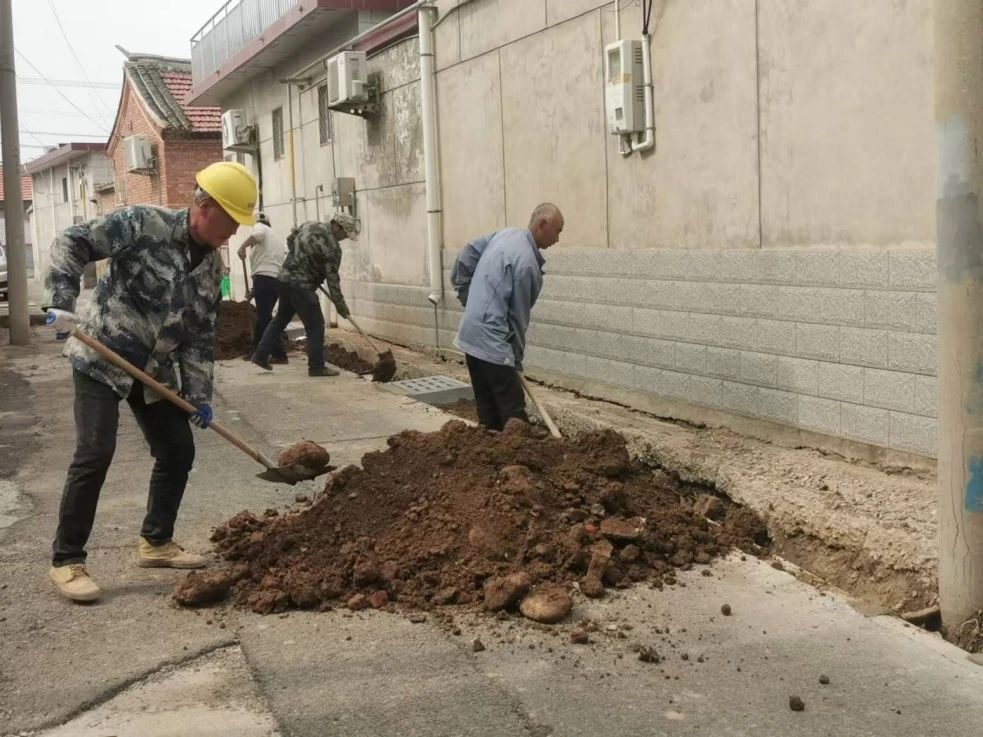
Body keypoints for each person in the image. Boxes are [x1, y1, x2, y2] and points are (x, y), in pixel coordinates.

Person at [43, 161, 258, 602]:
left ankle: (156, 542)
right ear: (205, 206)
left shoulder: (210, 270)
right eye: (231, 220)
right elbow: (73, 241)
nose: (235, 231)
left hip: (152, 372)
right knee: (95, 452)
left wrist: (198, 395)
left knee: (178, 450)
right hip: (101, 357)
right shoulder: (142, 224)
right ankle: (67, 560)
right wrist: (62, 302)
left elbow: (199, 337)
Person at [452, 203, 564, 431]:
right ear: (542, 224)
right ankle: (519, 453)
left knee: (488, 413)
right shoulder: (527, 265)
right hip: (493, 343)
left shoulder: (505, 234)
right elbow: (518, 320)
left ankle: (488, 446)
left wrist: (469, 298)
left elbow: (467, 254)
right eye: (558, 231)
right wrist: (516, 360)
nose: (558, 239)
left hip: (470, 335)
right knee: (514, 416)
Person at [251, 213, 357, 377]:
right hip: (302, 286)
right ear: (336, 226)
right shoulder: (333, 249)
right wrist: (340, 306)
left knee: (280, 319)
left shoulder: (308, 224)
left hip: (284, 279)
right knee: (316, 325)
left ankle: (260, 354)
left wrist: (300, 258)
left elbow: (290, 240)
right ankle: (316, 366)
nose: (344, 238)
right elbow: (332, 280)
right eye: (345, 233)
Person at [237, 212, 287, 363]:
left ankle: (279, 354)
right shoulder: (276, 239)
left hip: (265, 279)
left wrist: (242, 247)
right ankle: (256, 352)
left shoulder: (260, 228)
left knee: (265, 318)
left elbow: (257, 235)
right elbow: (268, 266)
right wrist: (254, 291)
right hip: (275, 281)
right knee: (263, 317)